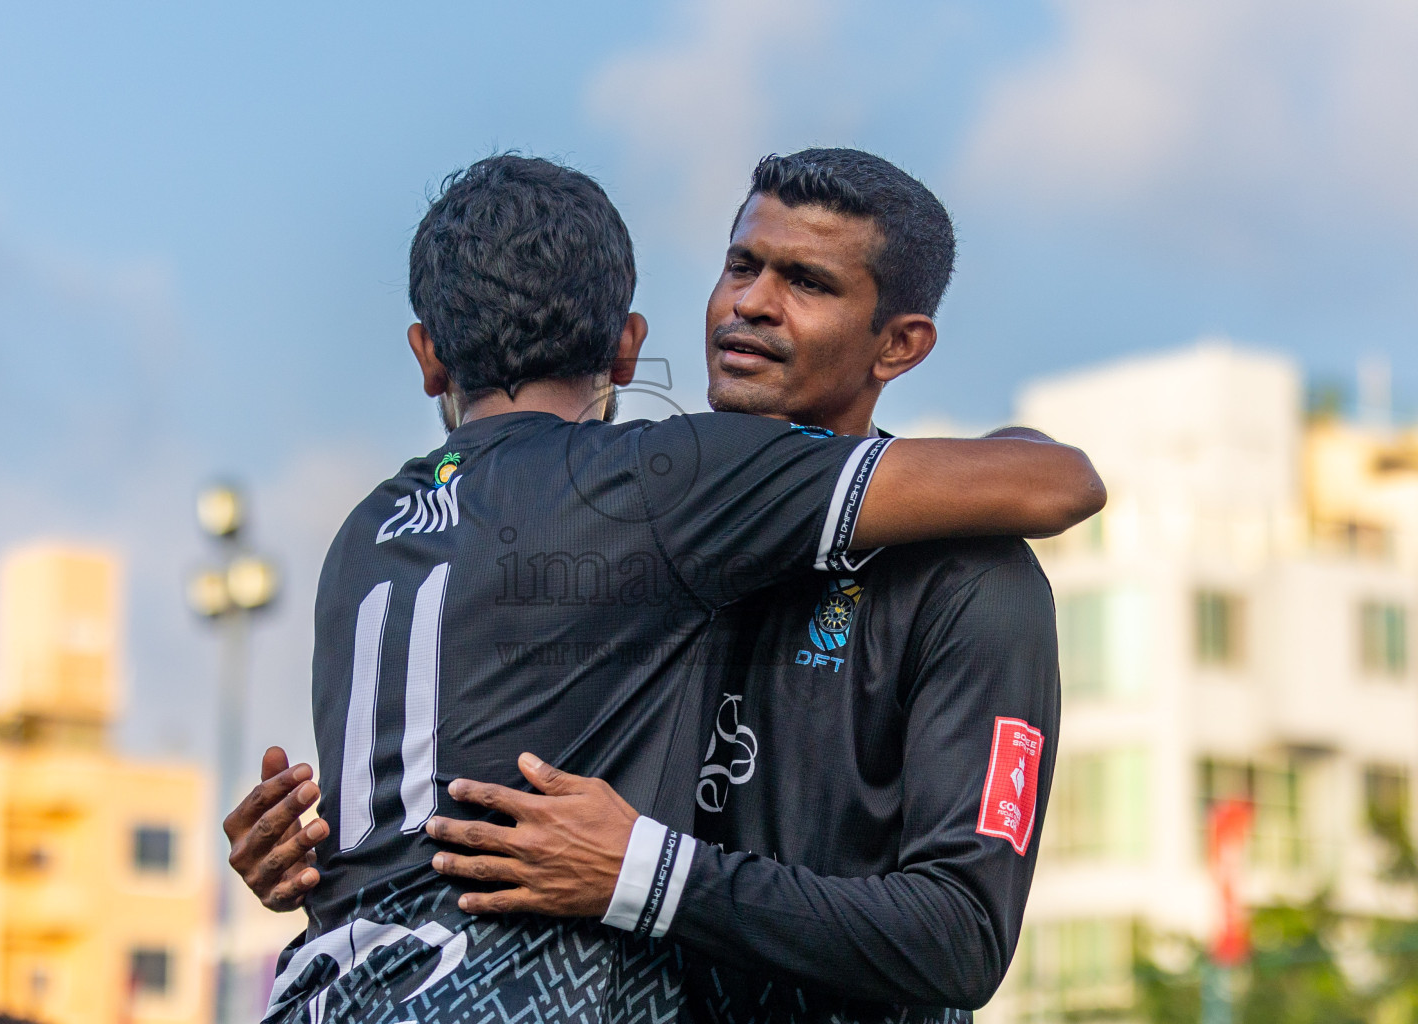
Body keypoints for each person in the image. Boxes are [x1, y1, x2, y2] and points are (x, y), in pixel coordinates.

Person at [231, 152, 1103, 1023]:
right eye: (740, 264)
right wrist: (332, 855)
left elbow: (962, 937)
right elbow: (460, 797)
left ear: (900, 344)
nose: (751, 302)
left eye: (806, 281)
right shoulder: (627, 507)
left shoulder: (972, 579)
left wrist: (647, 874)